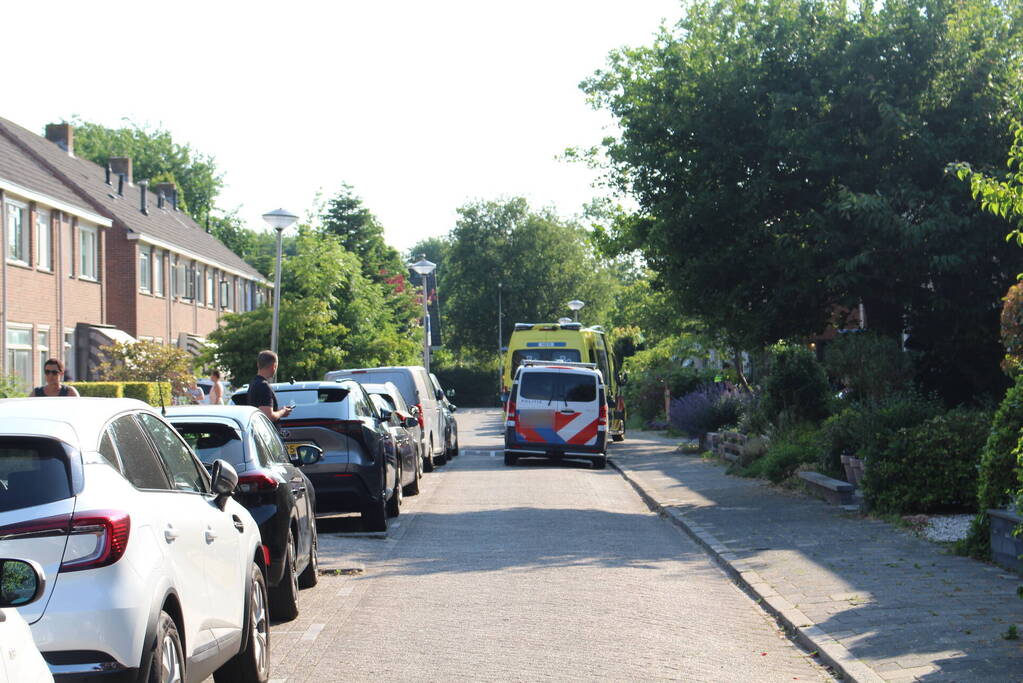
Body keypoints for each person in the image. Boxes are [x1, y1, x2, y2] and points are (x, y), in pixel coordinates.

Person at [247, 350, 292, 423]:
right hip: (265, 433)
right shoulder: (263, 386)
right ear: (274, 366)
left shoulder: (253, 383)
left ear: (258, 364)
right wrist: (283, 411)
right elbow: (268, 416)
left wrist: (278, 412)